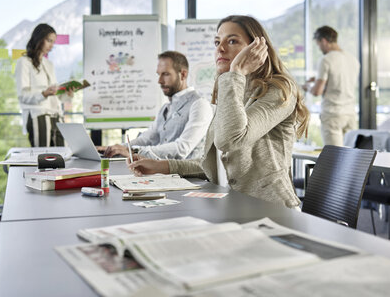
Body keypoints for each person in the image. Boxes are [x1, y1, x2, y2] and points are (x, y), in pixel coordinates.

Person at [127, 15, 310, 209]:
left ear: (257, 48)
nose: (220, 48)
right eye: (217, 42)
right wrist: (162, 166)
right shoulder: (234, 89)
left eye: (232, 41)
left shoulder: (279, 90)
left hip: (271, 209)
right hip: (233, 205)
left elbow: (230, 141)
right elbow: (213, 165)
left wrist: (236, 72)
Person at [100, 51, 213, 160]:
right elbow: (147, 139)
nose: (159, 81)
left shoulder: (199, 105)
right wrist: (115, 148)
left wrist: (133, 151)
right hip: (164, 174)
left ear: (183, 74)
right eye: (159, 74)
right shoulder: (165, 108)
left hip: (190, 178)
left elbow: (182, 148)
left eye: (165, 74)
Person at [15, 23, 73, 147]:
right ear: (39, 38)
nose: (51, 46)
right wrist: (43, 94)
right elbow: (23, 95)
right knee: (42, 159)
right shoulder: (24, 62)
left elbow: (55, 96)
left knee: (62, 158)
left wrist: (67, 94)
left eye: (53, 42)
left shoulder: (49, 64)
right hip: (38, 115)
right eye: (49, 41)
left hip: (57, 116)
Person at [303, 26, 360, 146]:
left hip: (332, 114)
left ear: (324, 41)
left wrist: (308, 86)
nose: (319, 48)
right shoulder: (353, 59)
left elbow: (317, 91)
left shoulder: (326, 59)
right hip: (350, 113)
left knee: (334, 157)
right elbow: (341, 80)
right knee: (351, 157)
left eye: (319, 44)